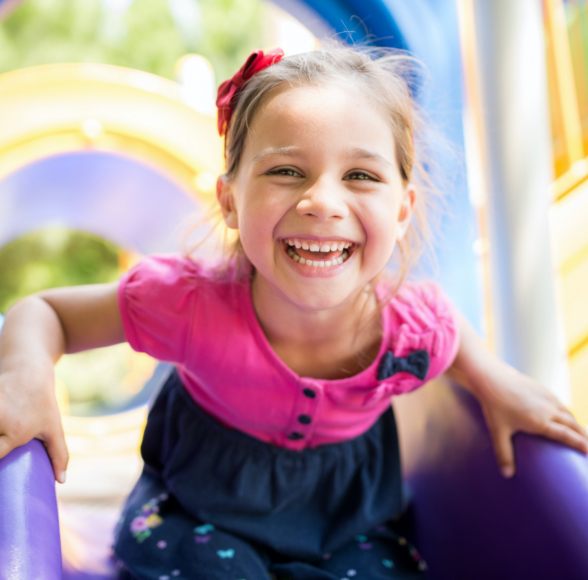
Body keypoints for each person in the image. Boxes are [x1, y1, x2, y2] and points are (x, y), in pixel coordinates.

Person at [0, 44, 586, 579]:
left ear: (403, 209)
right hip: (199, 513)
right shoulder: (188, 303)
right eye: (286, 171)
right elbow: (45, 311)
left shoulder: (409, 327)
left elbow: (450, 333)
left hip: (348, 528)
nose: (322, 202)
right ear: (230, 200)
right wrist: (26, 379)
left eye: (360, 175)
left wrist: (497, 380)